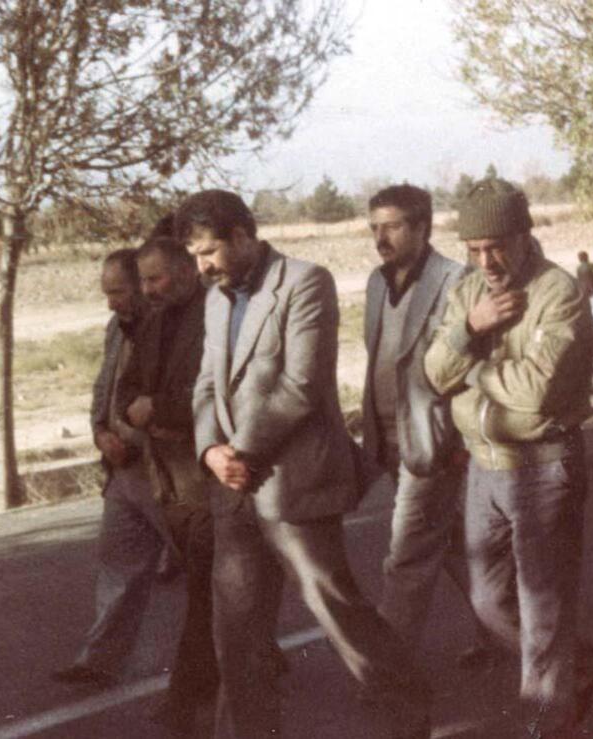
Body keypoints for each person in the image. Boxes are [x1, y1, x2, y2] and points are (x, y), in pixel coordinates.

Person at [185, 189, 430, 739]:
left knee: (339, 613)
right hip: (232, 487)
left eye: (208, 252)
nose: (201, 268)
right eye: (194, 256)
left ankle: (408, 716)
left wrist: (240, 452)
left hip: (292, 484)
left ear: (242, 236)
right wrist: (210, 451)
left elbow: (301, 385)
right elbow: (204, 384)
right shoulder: (216, 298)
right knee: (236, 638)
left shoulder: (305, 282)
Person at [424, 179, 593, 736]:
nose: (486, 261)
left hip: (544, 466)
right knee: (488, 601)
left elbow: (536, 392)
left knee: (542, 611)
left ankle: (548, 723)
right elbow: (434, 373)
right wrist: (469, 329)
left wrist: (474, 370)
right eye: (474, 249)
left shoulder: (558, 292)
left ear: (524, 236)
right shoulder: (467, 294)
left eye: (496, 246)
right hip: (484, 465)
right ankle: (581, 665)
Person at [361, 184, 493, 665]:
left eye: (393, 227)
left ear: (422, 227)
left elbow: (471, 366)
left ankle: (389, 673)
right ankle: (506, 633)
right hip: (389, 439)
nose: (381, 238)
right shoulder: (377, 283)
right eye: (375, 228)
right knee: (454, 543)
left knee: (407, 556)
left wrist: (460, 442)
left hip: (434, 441)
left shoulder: (458, 281)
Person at [51, 249, 173, 689]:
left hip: (166, 474)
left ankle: (252, 652)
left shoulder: (171, 327)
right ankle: (100, 661)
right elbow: (104, 388)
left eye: (118, 291)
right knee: (118, 564)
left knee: (212, 573)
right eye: (107, 293)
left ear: (142, 283)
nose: (111, 303)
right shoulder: (116, 330)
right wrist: (100, 433)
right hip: (124, 473)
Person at [115, 234, 218, 734]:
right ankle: (250, 659)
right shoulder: (154, 324)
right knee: (212, 588)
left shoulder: (214, 314)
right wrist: (142, 410)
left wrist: (159, 408)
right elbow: (126, 390)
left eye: (155, 279)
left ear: (184, 270)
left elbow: (212, 391)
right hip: (168, 479)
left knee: (203, 590)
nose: (149, 290)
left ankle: (184, 699)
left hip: (205, 478)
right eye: (144, 281)